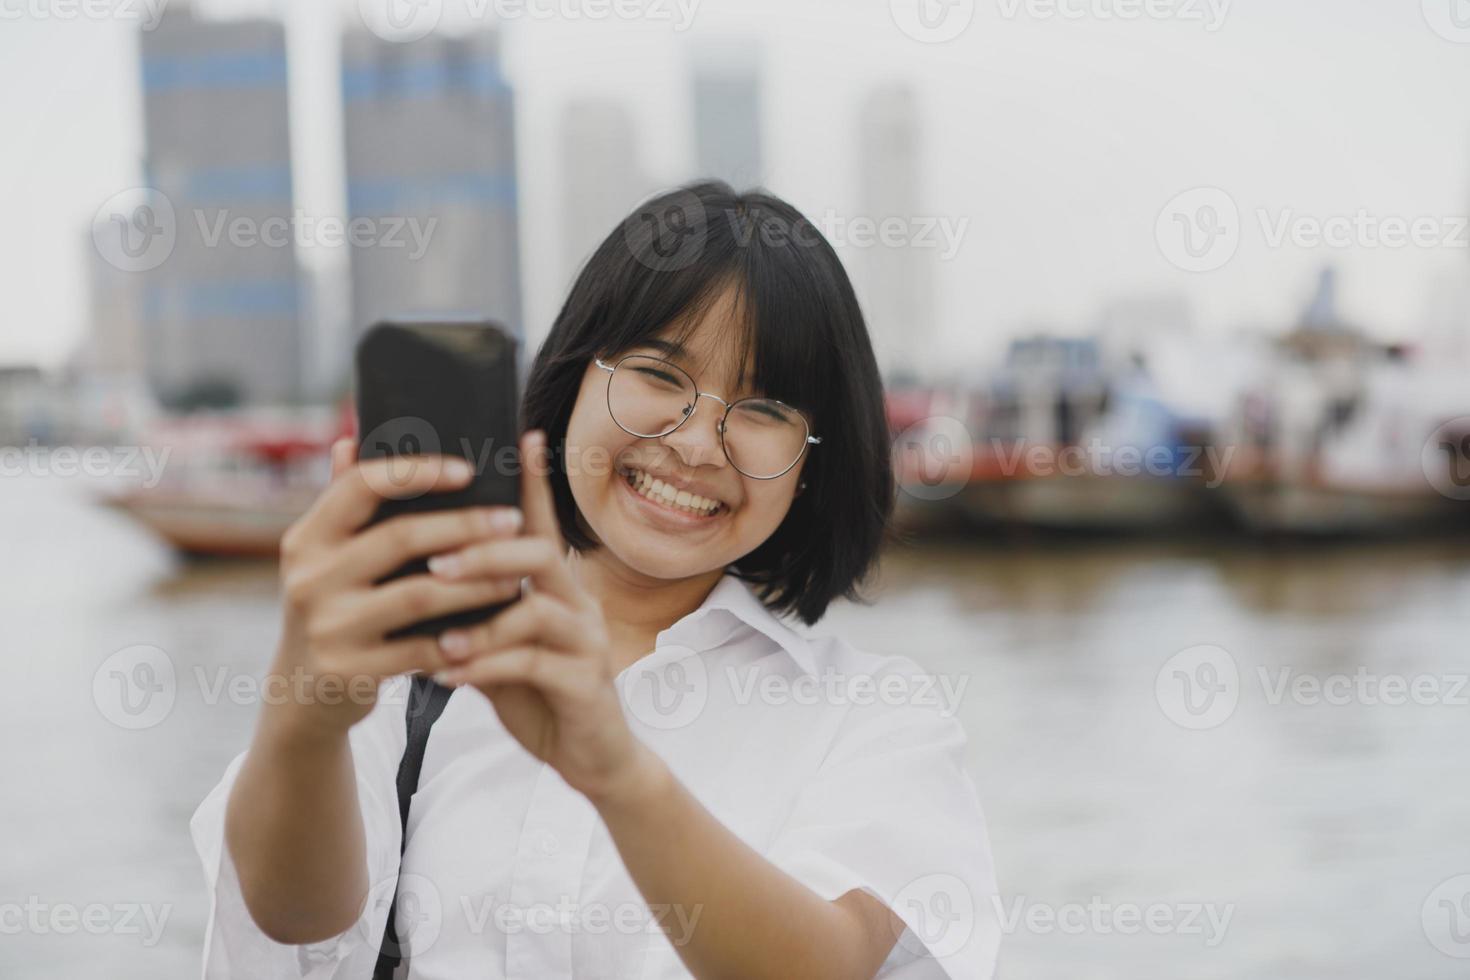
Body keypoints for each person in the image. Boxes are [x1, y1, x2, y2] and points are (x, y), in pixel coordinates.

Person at [190, 181, 999, 978]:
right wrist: (307, 712)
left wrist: (614, 770)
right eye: (659, 374)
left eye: (763, 409)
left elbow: (826, 966)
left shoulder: (875, 719)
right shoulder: (409, 662)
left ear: (813, 462)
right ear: (574, 376)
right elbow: (293, 922)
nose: (696, 444)